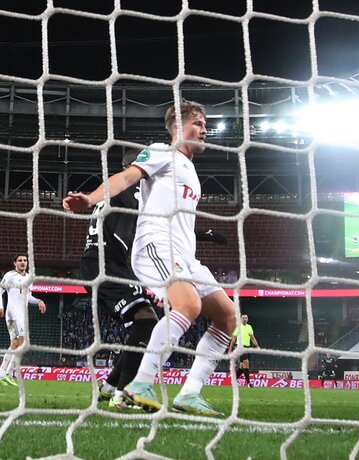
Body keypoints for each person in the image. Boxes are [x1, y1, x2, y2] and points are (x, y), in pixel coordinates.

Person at [63, 100, 237, 416]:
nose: (204, 129)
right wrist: (90, 198)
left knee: (227, 317)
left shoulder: (190, 170)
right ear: (177, 126)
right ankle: (138, 385)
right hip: (156, 245)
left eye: (205, 124)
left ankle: (190, 393)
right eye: (198, 123)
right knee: (188, 305)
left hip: (185, 255)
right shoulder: (161, 152)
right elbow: (125, 178)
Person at [79, 149, 160, 409]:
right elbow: (158, 225)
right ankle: (124, 392)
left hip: (99, 263)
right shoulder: (131, 186)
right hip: (106, 263)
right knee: (147, 321)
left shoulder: (117, 190)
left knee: (143, 326)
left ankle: (110, 386)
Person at [0, 254, 47, 385]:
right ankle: (9, 373)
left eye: (25, 260)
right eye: (20, 260)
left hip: (21, 315)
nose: (23, 262)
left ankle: (2, 373)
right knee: (23, 344)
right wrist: (0, 305)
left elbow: (28, 296)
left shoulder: (29, 278)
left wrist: (39, 301)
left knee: (14, 345)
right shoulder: (10, 276)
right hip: (13, 314)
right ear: (15, 263)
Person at [229, 314, 260, 388]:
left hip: (247, 348)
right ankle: (249, 383)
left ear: (247, 319)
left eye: (246, 318)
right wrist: (230, 349)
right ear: (240, 319)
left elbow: (252, 337)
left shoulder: (249, 327)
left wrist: (257, 345)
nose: (244, 319)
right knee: (246, 363)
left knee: (242, 366)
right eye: (243, 318)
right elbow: (233, 338)